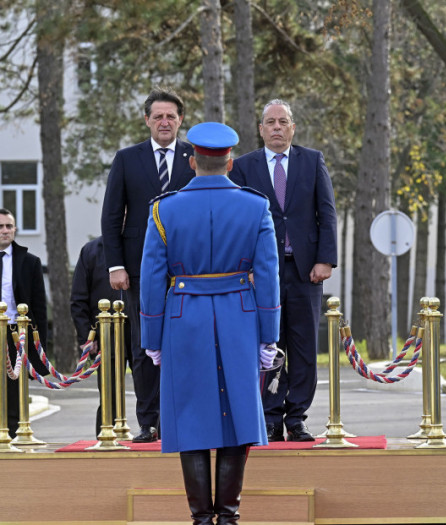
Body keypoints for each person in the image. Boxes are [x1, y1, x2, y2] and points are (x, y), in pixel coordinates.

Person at [139, 122, 281, 525]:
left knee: (190, 417)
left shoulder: (163, 208)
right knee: (239, 414)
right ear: (231, 162)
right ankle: (230, 517)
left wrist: (152, 337)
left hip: (184, 318)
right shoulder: (256, 206)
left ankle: (202, 519)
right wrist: (269, 335)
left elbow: (151, 280)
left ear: (191, 162)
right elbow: (268, 278)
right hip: (240, 316)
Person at [228, 99, 338, 442]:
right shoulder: (244, 166)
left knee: (304, 347)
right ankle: (271, 416)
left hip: (305, 272)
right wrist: (242, 266)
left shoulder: (312, 161)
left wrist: (325, 259)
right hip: (261, 274)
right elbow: (238, 219)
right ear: (260, 130)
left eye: (283, 122)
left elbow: (327, 213)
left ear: (293, 128)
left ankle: (297, 417)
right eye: (270, 122)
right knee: (269, 346)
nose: (277, 127)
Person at [100, 87, 196, 443]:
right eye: (158, 116)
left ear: (181, 120)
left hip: (189, 270)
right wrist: (115, 266)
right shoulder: (127, 159)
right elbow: (112, 216)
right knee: (144, 346)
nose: (165, 122)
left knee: (186, 345)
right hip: (140, 271)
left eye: (171, 116)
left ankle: (183, 417)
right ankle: (149, 421)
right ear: (147, 120)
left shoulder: (194, 157)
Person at [70, 235, 133, 437]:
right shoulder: (91, 251)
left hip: (141, 333)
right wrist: (86, 338)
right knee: (109, 397)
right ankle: (106, 438)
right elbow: (78, 299)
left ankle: (153, 437)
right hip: (105, 337)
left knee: (151, 396)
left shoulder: (143, 245)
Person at [0, 209, 49, 438]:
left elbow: (39, 308)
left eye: (9, 226)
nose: (5, 231)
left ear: (15, 229)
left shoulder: (30, 262)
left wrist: (40, 352)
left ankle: (13, 435)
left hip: (14, 334)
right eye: (0, 227)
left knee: (14, 390)